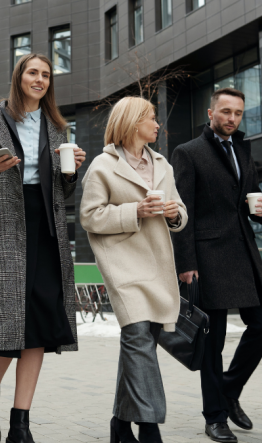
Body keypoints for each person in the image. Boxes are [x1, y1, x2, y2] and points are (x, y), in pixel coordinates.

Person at [0, 53, 86, 443]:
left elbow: (63, 192)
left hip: (46, 230)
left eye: (46, 75)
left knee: (41, 327)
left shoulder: (55, 127)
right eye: (33, 72)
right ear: (19, 76)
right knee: (8, 323)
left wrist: (72, 171)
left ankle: (21, 422)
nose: (40, 79)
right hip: (2, 228)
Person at [170, 87, 262, 443]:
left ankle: (228, 389)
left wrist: (260, 211)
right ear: (211, 112)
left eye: (238, 113)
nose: (232, 118)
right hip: (208, 257)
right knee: (212, 342)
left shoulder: (242, 150)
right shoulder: (188, 153)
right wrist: (186, 263)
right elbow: (183, 212)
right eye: (226, 111)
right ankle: (214, 415)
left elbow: (248, 199)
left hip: (244, 251)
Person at [80, 97, 187, 443]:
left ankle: (120, 422)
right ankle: (149, 427)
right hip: (122, 262)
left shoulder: (163, 165)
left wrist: (173, 214)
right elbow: (90, 216)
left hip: (157, 263)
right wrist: (135, 211)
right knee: (138, 335)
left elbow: (180, 212)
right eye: (151, 118)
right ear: (132, 122)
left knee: (143, 342)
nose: (158, 125)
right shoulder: (102, 166)